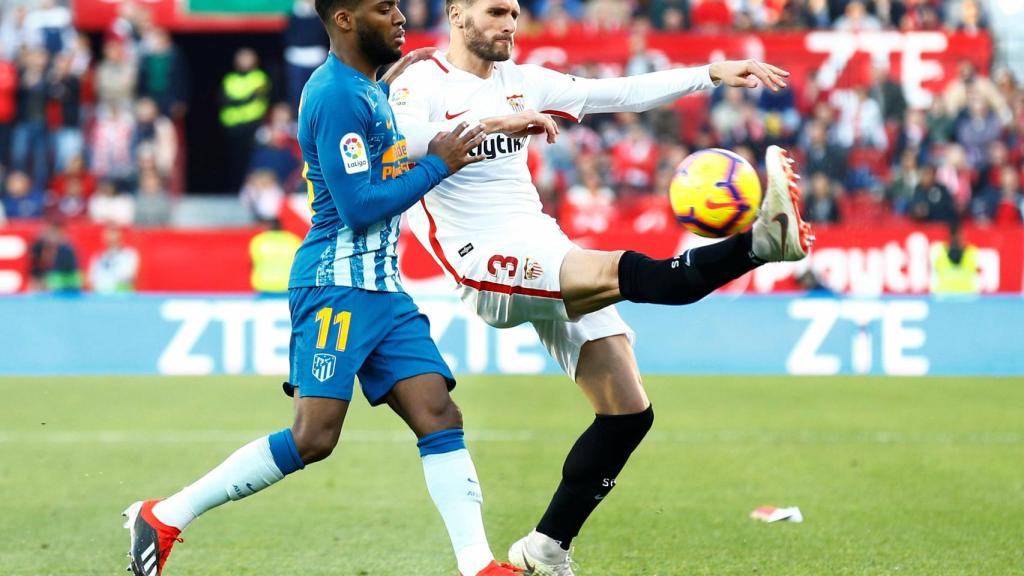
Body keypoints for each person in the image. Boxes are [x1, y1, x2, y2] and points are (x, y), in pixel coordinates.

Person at [388, 1, 812, 573]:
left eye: (514, 12)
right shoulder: (422, 79)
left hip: (541, 241)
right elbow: (402, 139)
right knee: (649, 276)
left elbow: (621, 92)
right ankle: (760, 245)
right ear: (457, 13)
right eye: (494, 11)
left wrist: (711, 73)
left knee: (628, 412)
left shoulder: (523, 81)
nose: (510, 22)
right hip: (482, 259)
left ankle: (547, 546)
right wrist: (497, 123)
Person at [123, 2, 520, 576]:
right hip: (336, 285)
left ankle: (478, 565)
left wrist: (394, 75)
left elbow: (372, 136)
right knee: (314, 437)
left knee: (439, 413)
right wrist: (437, 165)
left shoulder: (362, 85)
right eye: (385, 9)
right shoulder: (334, 95)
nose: (402, 16)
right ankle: (164, 516)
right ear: (344, 20)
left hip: (382, 289)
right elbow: (358, 208)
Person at [249, 219, 302, 293]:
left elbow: (251, 262)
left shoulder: (258, 240)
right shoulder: (293, 240)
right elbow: (301, 263)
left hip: (264, 285)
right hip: (288, 286)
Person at [88, 226, 139, 294]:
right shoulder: (97, 256)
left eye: (113, 233)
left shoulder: (129, 254)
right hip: (100, 297)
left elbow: (128, 277)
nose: (110, 237)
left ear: (120, 236)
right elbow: (91, 280)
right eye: (108, 233)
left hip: (120, 298)